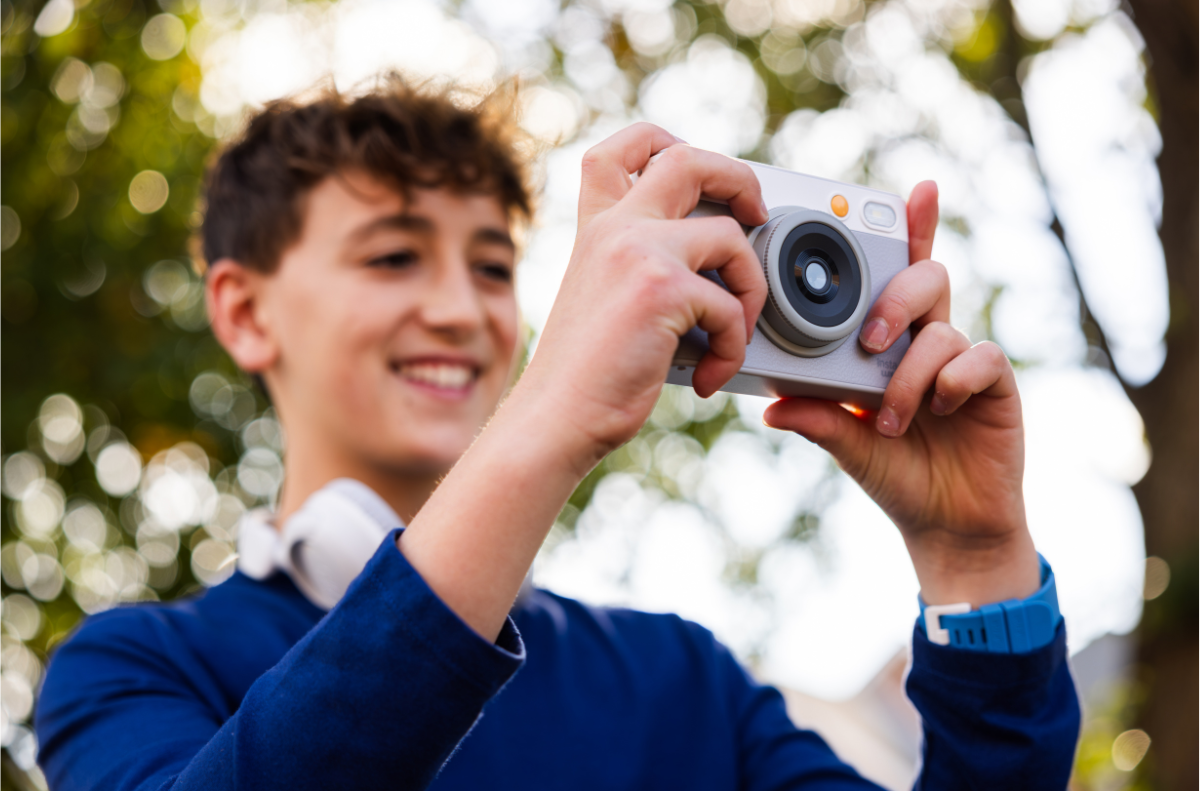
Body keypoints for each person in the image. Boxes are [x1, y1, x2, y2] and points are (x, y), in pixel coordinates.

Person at [34, 78, 1080, 791]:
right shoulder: (136, 668)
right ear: (246, 310)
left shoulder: (680, 680)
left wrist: (974, 561)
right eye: (394, 257)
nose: (461, 308)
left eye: (493, 268)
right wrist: (549, 413)